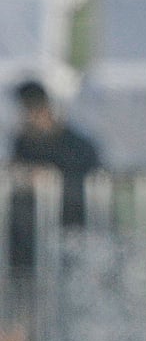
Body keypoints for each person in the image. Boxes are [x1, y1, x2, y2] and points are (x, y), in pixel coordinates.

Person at [5, 80, 101, 317]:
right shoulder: (24, 144)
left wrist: (49, 182)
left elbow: (89, 195)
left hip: (73, 242)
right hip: (27, 253)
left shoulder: (77, 147)